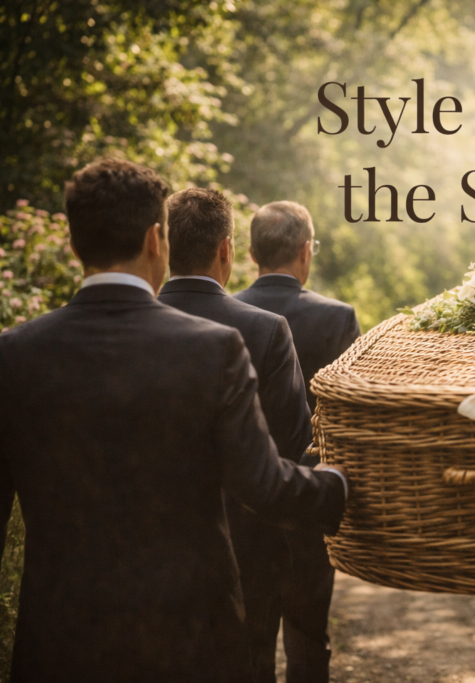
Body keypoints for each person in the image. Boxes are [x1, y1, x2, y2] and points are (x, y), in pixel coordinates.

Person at [0, 159, 349, 683]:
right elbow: (264, 484)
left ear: (74, 246)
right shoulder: (213, 349)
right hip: (190, 638)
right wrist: (336, 485)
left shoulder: (12, 355)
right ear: (155, 239)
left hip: (58, 641)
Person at [158, 188, 311, 683]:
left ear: (161, 245)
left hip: (147, 552)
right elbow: (292, 446)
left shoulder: (130, 325)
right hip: (247, 548)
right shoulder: (266, 330)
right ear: (226, 250)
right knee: (250, 665)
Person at [235, 200, 360, 683]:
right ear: (306, 251)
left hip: (241, 504)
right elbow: (348, 418)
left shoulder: (225, 315)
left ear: (251, 254)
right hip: (308, 500)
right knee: (309, 639)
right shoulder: (337, 318)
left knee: (251, 644)